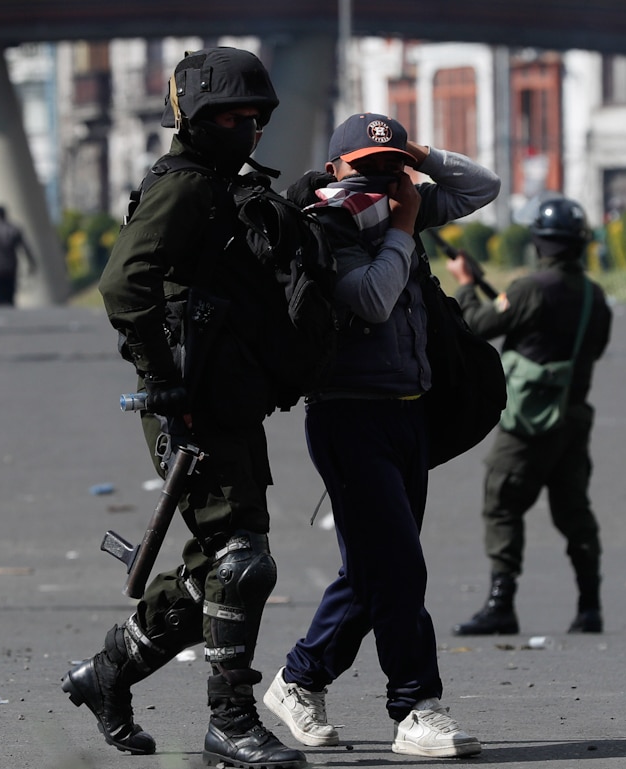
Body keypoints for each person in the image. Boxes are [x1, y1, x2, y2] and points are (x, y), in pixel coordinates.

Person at [60, 47, 308, 769]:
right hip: (190, 401)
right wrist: (160, 380)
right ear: (196, 118)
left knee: (213, 572)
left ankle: (107, 675)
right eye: (232, 115)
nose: (248, 128)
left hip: (227, 397)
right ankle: (229, 719)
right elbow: (122, 284)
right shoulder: (182, 186)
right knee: (242, 560)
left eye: (256, 116)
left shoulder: (221, 186)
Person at [260, 113, 499, 758]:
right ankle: (417, 706)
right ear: (336, 167)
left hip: (408, 413)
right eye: (366, 166)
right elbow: (370, 299)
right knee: (397, 568)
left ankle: (300, 680)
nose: (380, 178)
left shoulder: (401, 206)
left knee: (375, 571)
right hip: (347, 418)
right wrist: (399, 224)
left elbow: (484, 186)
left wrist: (420, 157)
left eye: (391, 166)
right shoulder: (319, 225)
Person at [445, 196, 612, 637]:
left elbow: (476, 325)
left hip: (528, 422)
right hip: (574, 418)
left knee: (501, 503)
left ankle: (501, 605)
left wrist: (465, 284)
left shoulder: (528, 289)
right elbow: (595, 347)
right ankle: (590, 606)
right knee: (574, 510)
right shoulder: (595, 297)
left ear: (540, 242)